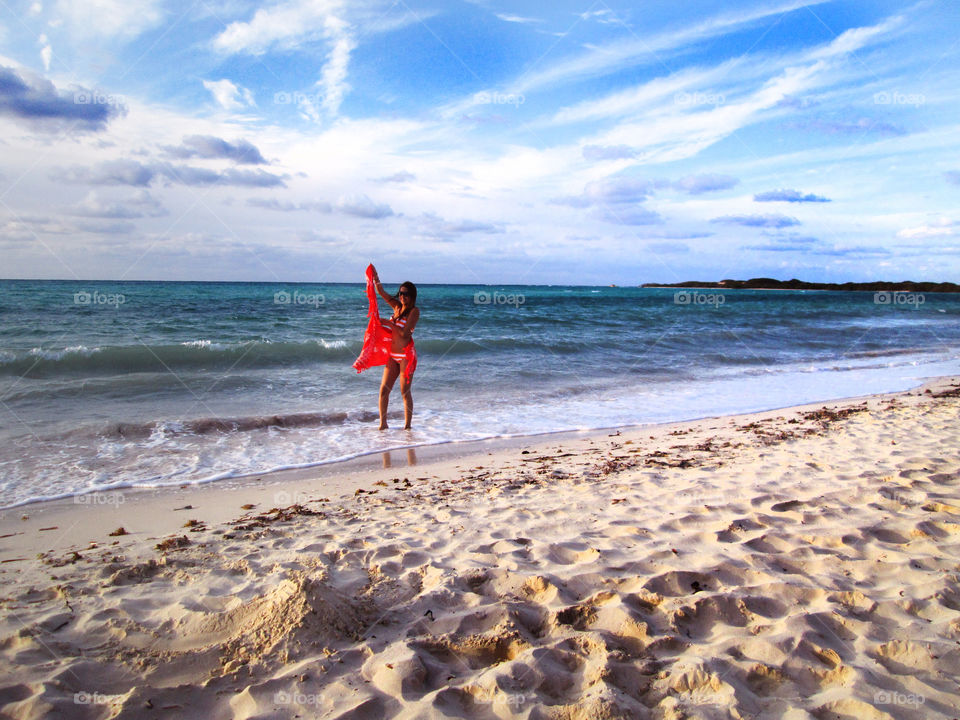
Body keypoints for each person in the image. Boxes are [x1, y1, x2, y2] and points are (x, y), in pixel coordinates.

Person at [370, 265, 419, 430]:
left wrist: (388, 323)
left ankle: (407, 427)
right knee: (384, 391)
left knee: (405, 392)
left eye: (406, 294)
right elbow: (381, 292)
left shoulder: (414, 312)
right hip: (392, 355)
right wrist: (375, 277)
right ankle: (383, 425)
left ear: (412, 296)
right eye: (401, 293)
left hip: (406, 356)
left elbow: (404, 334)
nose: (402, 296)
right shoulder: (397, 307)